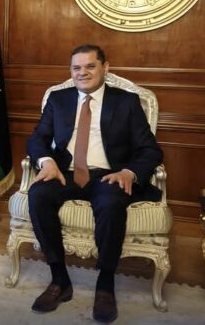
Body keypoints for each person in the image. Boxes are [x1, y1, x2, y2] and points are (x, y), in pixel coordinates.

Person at [26, 44, 162, 323]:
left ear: (105, 68)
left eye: (90, 66)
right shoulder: (58, 99)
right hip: (65, 172)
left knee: (111, 203)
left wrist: (129, 172)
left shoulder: (126, 102)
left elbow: (150, 150)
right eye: (76, 68)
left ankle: (105, 285)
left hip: (109, 175)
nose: (82, 73)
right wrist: (47, 162)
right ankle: (59, 279)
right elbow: (38, 138)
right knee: (38, 194)